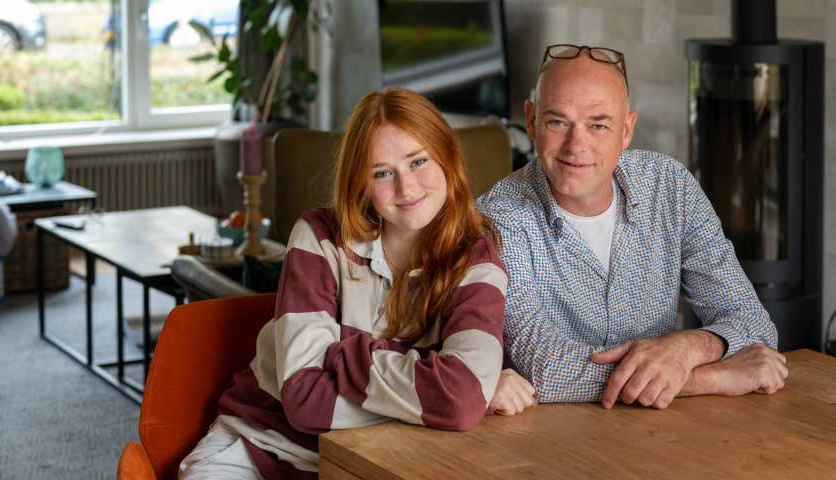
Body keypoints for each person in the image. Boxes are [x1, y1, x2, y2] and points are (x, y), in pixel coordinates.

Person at [179, 88, 510, 479]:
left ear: (448, 159)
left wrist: (342, 356)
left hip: (375, 461)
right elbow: (302, 400)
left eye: (419, 161)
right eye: (382, 172)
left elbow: (459, 401)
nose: (406, 188)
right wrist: (440, 396)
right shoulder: (319, 236)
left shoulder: (477, 262)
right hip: (258, 445)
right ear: (361, 182)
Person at [478, 44, 788, 412]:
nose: (577, 145)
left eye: (599, 125)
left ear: (626, 130)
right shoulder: (498, 218)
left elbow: (753, 321)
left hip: (667, 430)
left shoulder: (670, 186)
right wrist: (713, 378)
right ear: (530, 121)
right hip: (547, 442)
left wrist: (686, 348)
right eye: (557, 122)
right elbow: (544, 369)